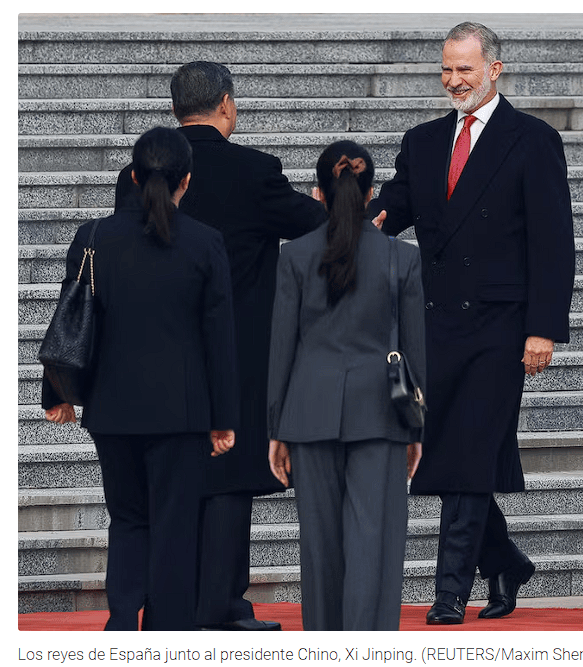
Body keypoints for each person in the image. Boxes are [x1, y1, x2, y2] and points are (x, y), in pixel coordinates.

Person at [369, 22, 575, 624]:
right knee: (449, 454)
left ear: (495, 68)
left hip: (500, 329)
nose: (454, 80)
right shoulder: (424, 140)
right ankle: (505, 560)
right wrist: (350, 215)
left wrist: (544, 329)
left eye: (465, 68)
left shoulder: (532, 140)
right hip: (431, 326)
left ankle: (449, 592)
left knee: (467, 455)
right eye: (446, 69)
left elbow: (553, 242)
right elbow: (394, 208)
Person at [114, 62, 325, 631]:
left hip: (154, 353)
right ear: (227, 104)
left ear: (176, 107)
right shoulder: (255, 170)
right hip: (237, 351)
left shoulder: (139, 171)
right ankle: (224, 606)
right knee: (230, 481)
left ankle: (166, 609)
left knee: (168, 489)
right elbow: (319, 226)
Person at [43, 127, 239, 631]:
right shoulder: (205, 243)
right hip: (183, 411)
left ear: (132, 175)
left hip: (113, 408)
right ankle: (166, 632)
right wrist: (224, 418)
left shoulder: (93, 238)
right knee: (175, 527)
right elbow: (219, 337)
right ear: (186, 181)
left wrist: (58, 394)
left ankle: (122, 618)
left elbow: (69, 316)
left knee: (128, 520)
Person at [266, 140, 425, 631]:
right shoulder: (402, 257)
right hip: (381, 411)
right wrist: (418, 427)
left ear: (317, 194)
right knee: (373, 541)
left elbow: (282, 349)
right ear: (372, 192)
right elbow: (417, 353)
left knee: (320, 545)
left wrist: (276, 426)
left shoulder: (294, 257)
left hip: (309, 410)